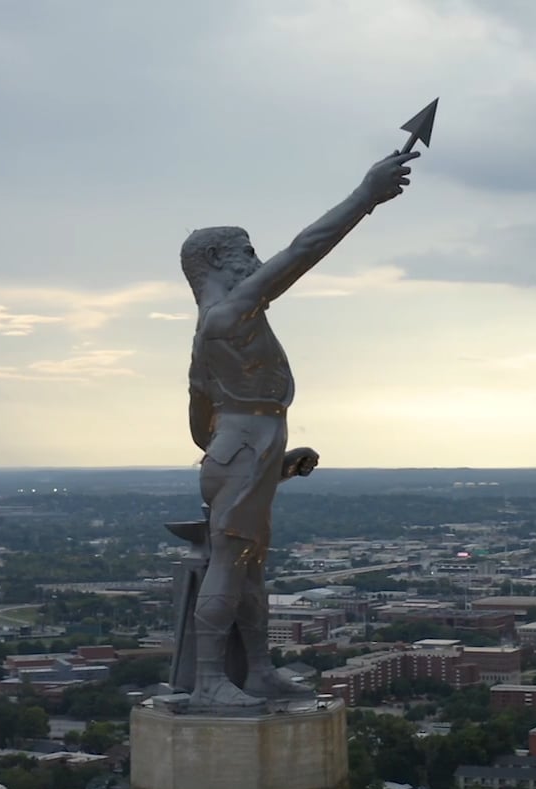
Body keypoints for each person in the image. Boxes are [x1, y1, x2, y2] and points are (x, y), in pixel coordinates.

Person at [175, 150, 418, 709]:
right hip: (245, 451)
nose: (256, 261)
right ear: (214, 260)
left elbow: (199, 426)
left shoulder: (208, 332)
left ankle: (258, 672)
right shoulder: (228, 315)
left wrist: (268, 464)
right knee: (230, 565)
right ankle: (210, 680)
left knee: (247, 570)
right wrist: (366, 196)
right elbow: (302, 252)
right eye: (246, 252)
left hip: (244, 452)